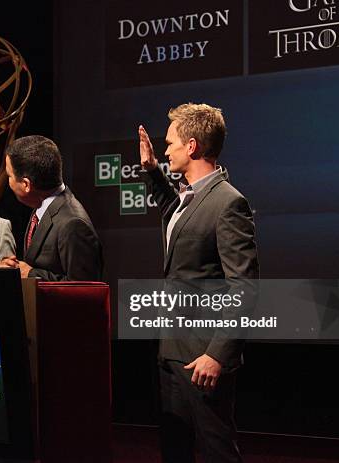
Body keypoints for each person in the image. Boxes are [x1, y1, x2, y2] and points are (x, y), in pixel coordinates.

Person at [138, 103, 259, 462]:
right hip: (173, 350)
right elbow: (178, 221)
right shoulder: (187, 198)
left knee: (217, 449)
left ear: (191, 147)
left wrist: (217, 355)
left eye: (171, 142)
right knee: (174, 450)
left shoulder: (228, 203)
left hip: (203, 358)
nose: (165, 150)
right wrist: (151, 172)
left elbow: (246, 289)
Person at [0, 135, 102, 281]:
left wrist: (30, 274)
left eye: (9, 176)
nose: (8, 182)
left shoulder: (73, 224)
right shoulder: (41, 206)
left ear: (26, 185)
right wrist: (14, 269)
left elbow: (85, 289)